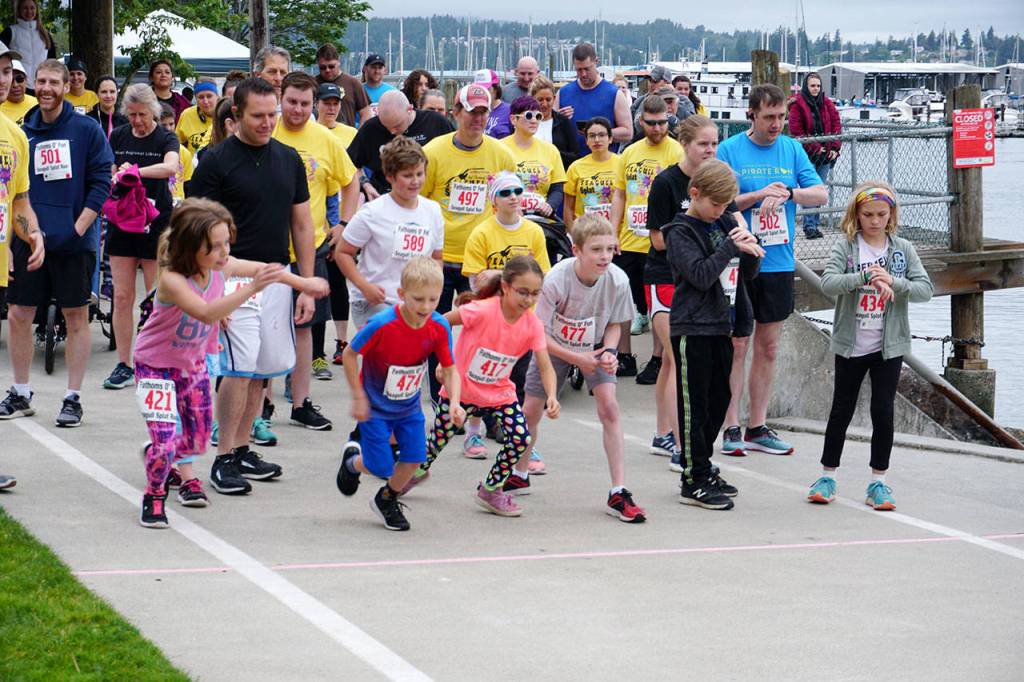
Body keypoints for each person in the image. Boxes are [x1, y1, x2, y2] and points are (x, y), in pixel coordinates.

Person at [187, 76, 326, 494]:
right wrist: (211, 289)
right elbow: (195, 228)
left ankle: (243, 447)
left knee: (262, 371)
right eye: (258, 116)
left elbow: (301, 223)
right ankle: (223, 456)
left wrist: (303, 283)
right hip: (230, 280)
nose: (268, 123)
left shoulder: (288, 159)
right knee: (238, 369)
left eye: (273, 115)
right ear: (236, 115)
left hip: (277, 278)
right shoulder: (215, 161)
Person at [134, 198, 306, 527]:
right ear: (190, 247)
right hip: (155, 366)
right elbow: (206, 312)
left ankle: (166, 459)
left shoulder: (220, 267)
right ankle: (155, 494)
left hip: (193, 365)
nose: (225, 252)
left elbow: (266, 270)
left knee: (197, 436)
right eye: (215, 246)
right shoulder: (172, 279)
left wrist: (305, 284)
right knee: (167, 437)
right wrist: (250, 290)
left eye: (227, 241)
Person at [717, 83, 827, 457]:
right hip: (741, 258)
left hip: (779, 260)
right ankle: (730, 424)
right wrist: (758, 197)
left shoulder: (792, 149)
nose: (776, 124)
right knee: (737, 344)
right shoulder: (730, 149)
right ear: (752, 114)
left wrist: (790, 194)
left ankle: (757, 426)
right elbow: (719, 200)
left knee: (768, 345)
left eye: (781, 117)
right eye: (769, 117)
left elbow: (821, 193)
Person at [2, 58, 112, 427]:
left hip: (71, 241)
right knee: (18, 315)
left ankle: (73, 398)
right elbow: (15, 191)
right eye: (41, 81)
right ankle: (19, 392)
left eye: (53, 82)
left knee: (76, 317)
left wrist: (78, 229)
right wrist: (19, 237)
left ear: (66, 86)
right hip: (27, 238)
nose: (46, 88)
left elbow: (101, 182)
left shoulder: (86, 129)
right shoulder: (21, 131)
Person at [514, 214, 646, 522]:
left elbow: (615, 324)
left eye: (609, 249)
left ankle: (619, 490)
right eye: (596, 250)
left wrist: (611, 351)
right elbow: (538, 333)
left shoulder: (618, 280)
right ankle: (518, 472)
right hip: (554, 346)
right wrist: (576, 359)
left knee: (610, 407)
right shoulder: (556, 279)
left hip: (595, 347)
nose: (604, 257)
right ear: (577, 250)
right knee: (531, 409)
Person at [812, 183, 932, 511]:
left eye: (882, 214)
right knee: (842, 409)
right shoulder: (847, 248)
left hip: (888, 346)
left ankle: (878, 481)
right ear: (856, 215)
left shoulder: (903, 249)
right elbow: (829, 283)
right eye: (867, 215)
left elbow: (925, 290)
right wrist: (865, 277)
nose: (875, 221)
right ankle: (827, 475)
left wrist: (893, 281)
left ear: (891, 214)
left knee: (882, 410)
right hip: (851, 344)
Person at [410, 256, 560, 517]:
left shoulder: (531, 324)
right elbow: (441, 321)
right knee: (438, 441)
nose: (528, 299)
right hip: (463, 389)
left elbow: (545, 365)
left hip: (499, 392)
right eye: (522, 292)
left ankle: (491, 489)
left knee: (520, 437)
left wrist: (552, 395)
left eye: (535, 294)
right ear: (505, 286)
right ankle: (416, 471)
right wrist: (444, 361)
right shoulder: (481, 310)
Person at [643, 115, 746, 467]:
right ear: (685, 144)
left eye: (715, 143)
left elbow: (733, 224)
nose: (711, 149)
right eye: (704, 143)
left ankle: (680, 438)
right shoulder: (666, 182)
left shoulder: (717, 183)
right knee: (674, 358)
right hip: (666, 275)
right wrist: (698, 245)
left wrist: (742, 243)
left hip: (711, 281)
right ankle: (674, 440)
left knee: (699, 372)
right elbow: (659, 238)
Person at [662, 160, 762, 510]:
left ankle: (703, 466)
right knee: (696, 407)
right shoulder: (679, 232)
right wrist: (730, 247)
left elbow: (746, 273)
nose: (721, 211)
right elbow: (701, 275)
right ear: (695, 194)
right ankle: (692, 478)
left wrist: (750, 246)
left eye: (725, 206)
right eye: (716, 204)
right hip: (693, 326)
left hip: (724, 323)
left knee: (720, 400)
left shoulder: (721, 223)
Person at [336, 257, 461, 530]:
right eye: (418, 299)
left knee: (416, 459)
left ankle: (387, 499)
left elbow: (450, 368)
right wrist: (357, 396)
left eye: (433, 299)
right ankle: (353, 463)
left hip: (408, 407)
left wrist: (454, 402)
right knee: (381, 467)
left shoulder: (439, 326)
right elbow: (349, 353)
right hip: (375, 406)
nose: (426, 307)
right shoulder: (382, 324)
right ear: (402, 295)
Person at [272, 71, 359, 430]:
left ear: (315, 106)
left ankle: (301, 400)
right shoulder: (268, 131)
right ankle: (262, 405)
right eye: (291, 101)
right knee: (270, 328)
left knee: (305, 326)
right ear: (281, 99)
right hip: (269, 246)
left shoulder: (324, 140)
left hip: (312, 246)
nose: (297, 109)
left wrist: (344, 225)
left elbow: (351, 181)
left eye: (304, 104)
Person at [420, 83, 516, 335]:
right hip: (438, 256)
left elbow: (510, 207)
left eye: (484, 112)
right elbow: (418, 203)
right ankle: (435, 374)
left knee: (479, 329)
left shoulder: (502, 155)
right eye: (472, 111)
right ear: (456, 112)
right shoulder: (432, 153)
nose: (478, 118)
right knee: (433, 328)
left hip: (479, 260)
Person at [102, 84, 180, 391]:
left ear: (154, 112)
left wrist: (135, 171)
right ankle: (124, 362)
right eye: (132, 115)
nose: (137, 121)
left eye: (143, 115)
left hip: (156, 222)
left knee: (155, 296)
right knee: (122, 297)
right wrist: (116, 173)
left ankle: (155, 359)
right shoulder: (118, 135)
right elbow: (107, 168)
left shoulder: (165, 137)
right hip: (123, 220)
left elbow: (171, 166)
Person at [337, 136, 443, 329]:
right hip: (376, 300)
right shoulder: (372, 212)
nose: (415, 181)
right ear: (390, 176)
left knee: (415, 357)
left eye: (420, 174)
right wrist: (364, 286)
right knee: (387, 354)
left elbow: (436, 258)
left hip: (415, 301)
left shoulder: (433, 210)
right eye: (407, 175)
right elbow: (342, 252)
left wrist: (432, 290)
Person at [616, 96, 684, 376]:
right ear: (641, 121)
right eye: (651, 123)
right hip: (629, 237)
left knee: (658, 304)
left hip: (657, 241)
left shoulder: (676, 151)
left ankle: (657, 358)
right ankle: (624, 355)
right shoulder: (630, 152)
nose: (657, 129)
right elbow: (620, 193)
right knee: (622, 300)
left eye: (662, 123)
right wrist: (612, 232)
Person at [0, 38, 46, 441]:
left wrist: (34, 235)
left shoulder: (15, 135)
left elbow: (20, 203)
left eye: (6, 72)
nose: (2, 80)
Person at [347, 90, 452, 199]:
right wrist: (366, 184)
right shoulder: (371, 128)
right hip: (384, 197)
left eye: (397, 125)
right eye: (386, 126)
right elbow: (350, 163)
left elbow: (455, 154)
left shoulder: (436, 122)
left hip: (428, 197)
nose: (392, 132)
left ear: (409, 109)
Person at [555, 42, 632, 157]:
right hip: (571, 164)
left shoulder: (614, 94)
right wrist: (559, 119)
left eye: (587, 69)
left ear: (596, 62)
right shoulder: (563, 93)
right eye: (579, 70)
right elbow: (551, 129)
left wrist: (597, 134)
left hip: (604, 166)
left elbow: (628, 133)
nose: (583, 74)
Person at [789, 73, 842, 240]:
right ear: (807, 86)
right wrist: (816, 148)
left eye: (818, 86)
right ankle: (809, 225)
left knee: (819, 190)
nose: (816, 89)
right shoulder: (798, 104)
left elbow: (836, 124)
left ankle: (815, 224)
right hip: (807, 156)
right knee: (809, 190)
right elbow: (797, 131)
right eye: (812, 86)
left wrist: (835, 147)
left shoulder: (826, 103)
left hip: (825, 155)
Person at [501, 96, 566, 221]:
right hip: (508, 219)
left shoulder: (550, 150)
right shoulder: (499, 148)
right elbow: (492, 185)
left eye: (538, 116)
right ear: (513, 119)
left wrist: (550, 205)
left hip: (541, 220)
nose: (534, 120)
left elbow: (557, 188)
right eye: (529, 115)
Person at [563, 117, 624, 235]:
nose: (597, 140)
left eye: (602, 135)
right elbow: (568, 209)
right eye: (592, 136)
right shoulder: (575, 167)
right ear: (586, 140)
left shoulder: (622, 164)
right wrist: (574, 236)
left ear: (610, 138)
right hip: (585, 234)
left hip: (617, 235)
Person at [1, 0, 55, 93]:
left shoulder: (45, 34)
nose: (29, 11)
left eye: (32, 8)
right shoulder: (10, 32)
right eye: (25, 8)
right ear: (19, 10)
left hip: (41, 85)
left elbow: (52, 60)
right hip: (18, 85)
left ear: (37, 10)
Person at [315, 43, 370, 127]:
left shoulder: (353, 83)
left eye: (331, 66)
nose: (327, 70)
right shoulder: (312, 84)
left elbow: (366, 113)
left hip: (346, 136)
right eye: (323, 67)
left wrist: (359, 135)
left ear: (338, 61)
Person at [530, 77, 578, 171]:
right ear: (532, 99)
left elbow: (575, 155)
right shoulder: (525, 121)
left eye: (548, 99)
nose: (544, 104)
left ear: (554, 98)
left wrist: (552, 152)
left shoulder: (563, 122)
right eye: (540, 100)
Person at [176, 78, 218, 155]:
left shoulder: (225, 113)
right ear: (195, 99)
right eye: (201, 97)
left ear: (217, 96)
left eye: (209, 96)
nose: (206, 101)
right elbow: (176, 143)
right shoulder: (187, 114)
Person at [160, 108, 192, 206]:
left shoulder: (184, 152)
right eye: (164, 125)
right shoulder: (151, 149)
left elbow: (187, 185)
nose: (169, 128)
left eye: (171, 124)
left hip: (178, 205)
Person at [316, 82, 356, 147]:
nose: (332, 108)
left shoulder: (352, 133)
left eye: (336, 104)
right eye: (327, 103)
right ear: (316, 104)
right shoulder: (309, 131)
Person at [475, 69, 512, 139]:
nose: (482, 93)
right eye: (478, 90)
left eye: (486, 89)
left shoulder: (509, 110)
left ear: (495, 89)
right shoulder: (472, 111)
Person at [0, 58, 35, 125]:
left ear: (26, 81)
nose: (15, 85)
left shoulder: (37, 104)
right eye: (11, 81)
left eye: (20, 79)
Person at [361, 54, 395, 119]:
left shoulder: (392, 92)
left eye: (380, 68)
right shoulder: (358, 90)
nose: (377, 71)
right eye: (373, 67)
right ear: (365, 69)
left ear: (385, 70)